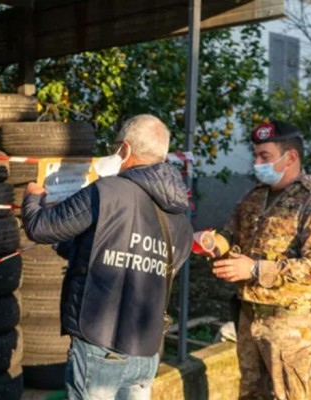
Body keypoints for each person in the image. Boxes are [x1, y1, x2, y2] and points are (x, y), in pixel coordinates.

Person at [22, 114, 193, 400]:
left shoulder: (107, 192)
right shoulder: (181, 217)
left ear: (124, 149)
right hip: (147, 349)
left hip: (98, 342)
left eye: (114, 146)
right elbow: (126, 256)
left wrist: (32, 198)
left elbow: (41, 227)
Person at [211, 120, 311, 400]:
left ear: (291, 157)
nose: (257, 163)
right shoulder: (254, 197)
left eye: (265, 156)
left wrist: (254, 269)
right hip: (250, 320)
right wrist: (213, 243)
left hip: (290, 328)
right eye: (255, 155)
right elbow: (229, 235)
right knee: (251, 394)